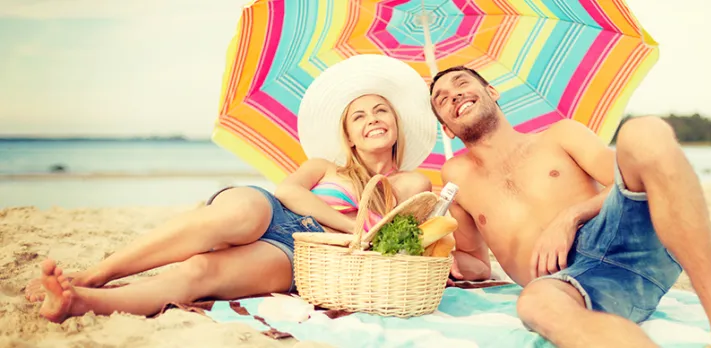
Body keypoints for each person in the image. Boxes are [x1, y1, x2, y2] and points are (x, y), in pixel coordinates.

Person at [29, 54, 439, 323]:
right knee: (240, 213)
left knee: (200, 272)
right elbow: (289, 194)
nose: (372, 119)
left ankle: (79, 303)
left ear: (397, 121)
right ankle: (96, 274)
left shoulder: (409, 183)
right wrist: (349, 226)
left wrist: (353, 226)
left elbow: (397, 241)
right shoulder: (323, 166)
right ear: (349, 136)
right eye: (359, 116)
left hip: (302, 252)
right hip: (272, 213)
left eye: (381, 110)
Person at [429, 66, 711, 348]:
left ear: (491, 91)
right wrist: (430, 257)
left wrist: (570, 216)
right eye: (442, 99)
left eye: (461, 84)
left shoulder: (560, 135)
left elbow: (629, 180)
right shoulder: (457, 177)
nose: (455, 95)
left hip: (628, 238)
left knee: (643, 132)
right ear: (445, 127)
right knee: (534, 305)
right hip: (574, 285)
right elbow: (475, 264)